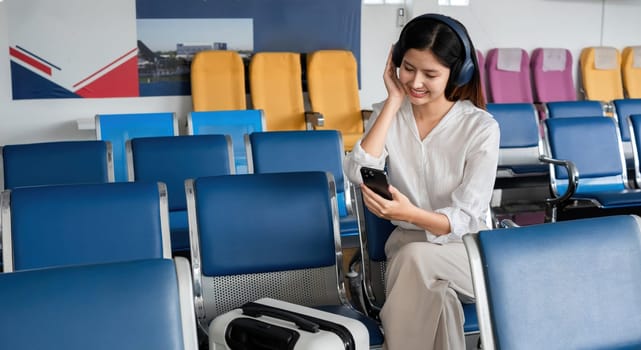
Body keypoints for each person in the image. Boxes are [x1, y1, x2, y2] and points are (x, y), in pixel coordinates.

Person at [343, 13, 499, 350]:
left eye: (430, 74)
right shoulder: (388, 115)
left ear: (457, 74)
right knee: (439, 302)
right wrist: (392, 103)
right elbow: (357, 171)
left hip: (469, 254)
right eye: (408, 68)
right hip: (407, 253)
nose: (415, 82)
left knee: (417, 258)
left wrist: (411, 214)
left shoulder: (481, 128)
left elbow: (468, 218)